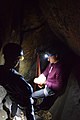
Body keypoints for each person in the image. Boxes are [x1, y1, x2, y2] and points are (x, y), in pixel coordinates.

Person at [0, 43, 35, 120]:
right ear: (16, 60)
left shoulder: (1, 70)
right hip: (23, 101)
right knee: (29, 108)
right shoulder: (16, 77)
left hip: (13, 97)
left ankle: (12, 116)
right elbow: (29, 91)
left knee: (14, 103)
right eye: (18, 59)